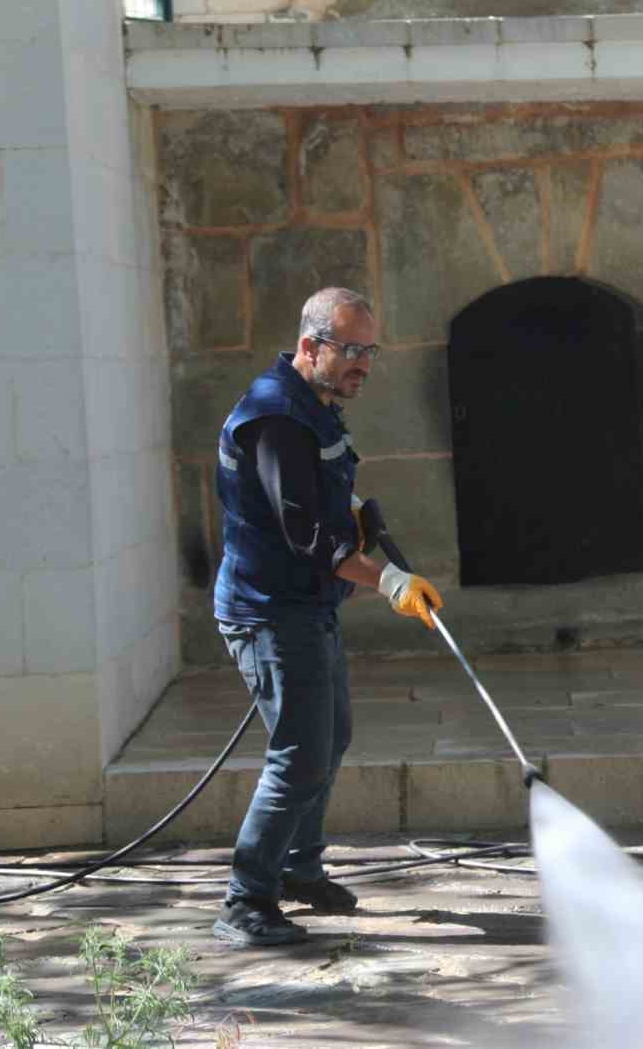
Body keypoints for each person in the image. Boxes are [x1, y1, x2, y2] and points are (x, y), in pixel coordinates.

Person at [210, 287, 443, 947]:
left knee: (328, 738)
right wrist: (391, 581)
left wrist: (357, 505)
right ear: (310, 346)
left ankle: (298, 870)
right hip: (269, 611)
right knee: (300, 754)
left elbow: (319, 490)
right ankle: (245, 901)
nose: (362, 363)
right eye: (350, 350)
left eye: (370, 351)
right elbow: (309, 535)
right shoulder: (276, 419)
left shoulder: (312, 402)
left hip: (304, 607)